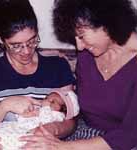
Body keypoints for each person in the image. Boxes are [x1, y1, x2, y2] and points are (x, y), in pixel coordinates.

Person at [20, 0, 137, 150]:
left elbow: (129, 135)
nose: (79, 46)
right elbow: (77, 104)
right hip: (83, 134)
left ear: (107, 24)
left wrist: (61, 147)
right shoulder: (88, 53)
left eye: (81, 36)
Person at [0, 0, 76, 149]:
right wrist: (5, 106)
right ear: (0, 39)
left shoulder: (57, 65)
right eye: (16, 46)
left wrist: (52, 130)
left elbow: (70, 121)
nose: (26, 51)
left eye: (32, 41)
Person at [0, 91, 79, 150]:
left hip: (33, 134)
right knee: (0, 130)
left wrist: (45, 108)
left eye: (53, 102)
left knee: (17, 141)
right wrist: (25, 115)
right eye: (46, 98)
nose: (47, 101)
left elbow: (46, 121)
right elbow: (24, 121)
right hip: (21, 127)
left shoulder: (58, 116)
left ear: (63, 110)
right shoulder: (40, 109)